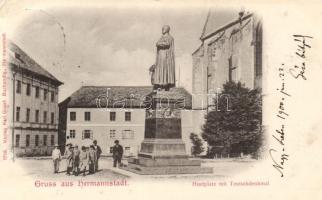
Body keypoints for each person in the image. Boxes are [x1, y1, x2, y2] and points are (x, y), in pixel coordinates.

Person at [151, 25, 176, 91]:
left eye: (164, 28)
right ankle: (160, 84)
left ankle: (164, 84)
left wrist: (158, 44)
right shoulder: (162, 37)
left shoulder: (169, 37)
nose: (162, 29)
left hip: (165, 56)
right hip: (160, 56)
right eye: (162, 28)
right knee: (161, 69)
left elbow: (167, 44)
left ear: (167, 29)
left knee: (164, 69)